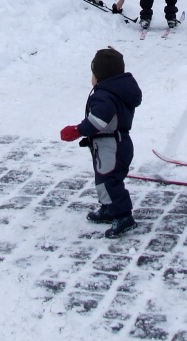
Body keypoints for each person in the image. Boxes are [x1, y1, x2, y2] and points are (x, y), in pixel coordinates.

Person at [60, 47, 143, 238]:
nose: (92, 77)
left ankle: (123, 216)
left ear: (101, 75)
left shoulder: (105, 96)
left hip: (113, 146)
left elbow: (98, 121)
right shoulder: (113, 90)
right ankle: (109, 208)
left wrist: (78, 131)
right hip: (107, 144)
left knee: (111, 180)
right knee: (103, 179)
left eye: (93, 73)